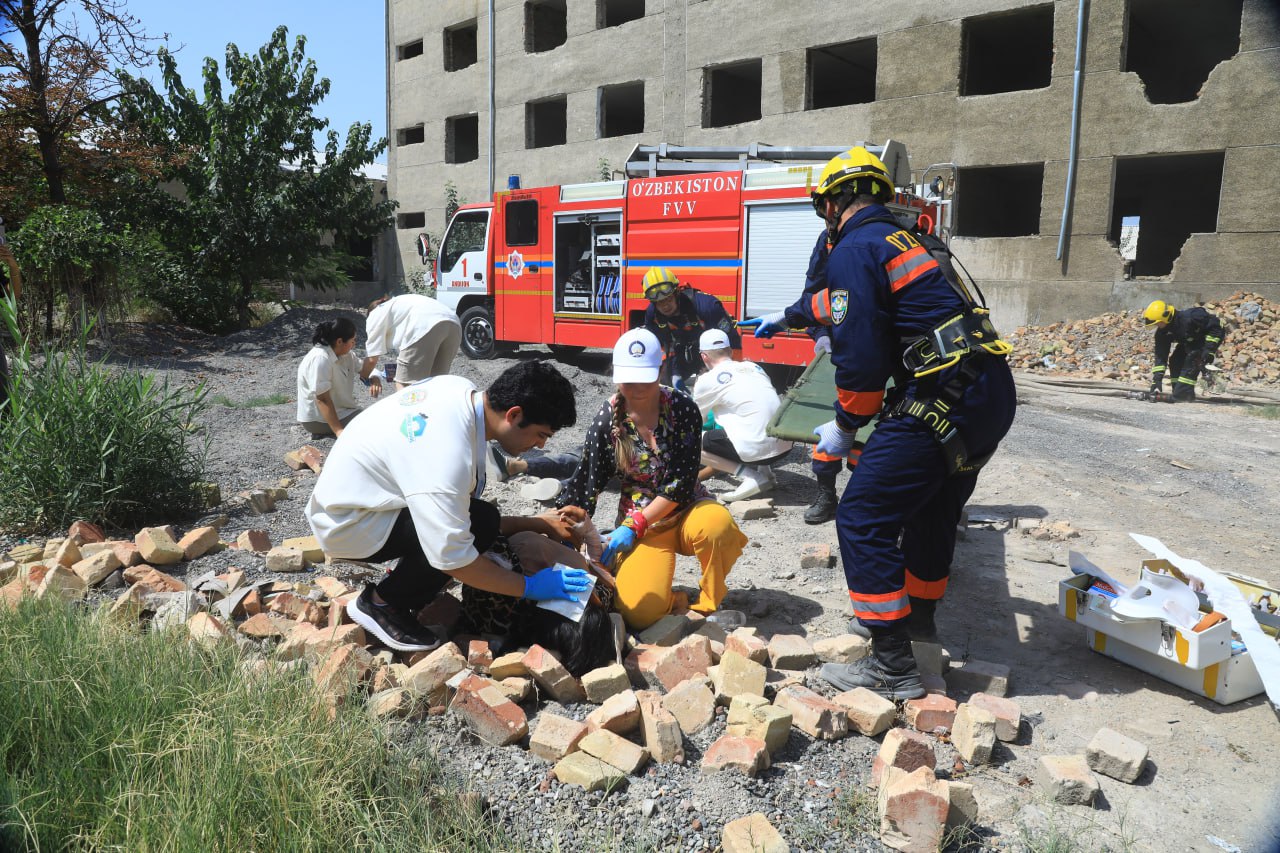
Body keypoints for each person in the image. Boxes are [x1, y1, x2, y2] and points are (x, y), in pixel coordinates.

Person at [749, 146, 1017, 699]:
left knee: (863, 517)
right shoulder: (902, 241)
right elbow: (850, 302)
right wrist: (786, 315)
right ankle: (917, 626)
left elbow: (864, 361)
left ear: (832, 203)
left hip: (941, 395)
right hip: (986, 391)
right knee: (931, 508)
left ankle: (892, 666)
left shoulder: (852, 246)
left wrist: (845, 426)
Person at [305, 361, 591, 653]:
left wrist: (537, 523)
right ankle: (382, 604)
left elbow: (457, 509)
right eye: (541, 434)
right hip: (349, 523)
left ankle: (406, 581)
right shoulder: (447, 455)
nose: (540, 446)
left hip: (356, 500)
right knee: (479, 525)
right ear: (514, 415)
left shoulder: (459, 391)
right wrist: (529, 586)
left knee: (479, 519)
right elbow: (455, 557)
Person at [557, 328, 748, 630]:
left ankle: (708, 604)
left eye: (646, 377)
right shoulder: (606, 421)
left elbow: (681, 483)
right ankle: (675, 601)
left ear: (661, 369)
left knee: (717, 526)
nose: (637, 386)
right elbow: (587, 483)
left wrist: (633, 526)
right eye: (629, 378)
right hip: (643, 526)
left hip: (687, 511)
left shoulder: (683, 409)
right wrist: (571, 532)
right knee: (638, 613)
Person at [692, 328, 793, 502]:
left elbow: (694, 423)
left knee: (688, 440)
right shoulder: (754, 367)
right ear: (731, 351)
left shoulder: (707, 380)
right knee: (754, 418)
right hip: (784, 447)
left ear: (704, 357)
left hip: (757, 450)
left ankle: (751, 477)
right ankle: (766, 473)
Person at [641, 267, 741, 390]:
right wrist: (674, 375)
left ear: (677, 293)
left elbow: (733, 342)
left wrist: (733, 376)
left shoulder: (707, 306)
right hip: (682, 353)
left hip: (710, 353)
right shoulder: (653, 316)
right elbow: (662, 347)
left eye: (668, 299)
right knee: (662, 380)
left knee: (716, 385)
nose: (665, 305)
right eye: (659, 302)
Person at [297, 317, 381, 438]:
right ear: (340, 341)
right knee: (373, 422)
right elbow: (322, 399)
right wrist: (339, 431)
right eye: (352, 341)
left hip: (342, 411)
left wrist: (375, 378)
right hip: (317, 419)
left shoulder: (346, 355)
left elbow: (365, 368)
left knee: (375, 417)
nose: (354, 344)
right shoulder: (320, 358)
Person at [363, 293, 463, 388]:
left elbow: (372, 360)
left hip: (424, 324)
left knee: (405, 384)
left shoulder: (375, 313)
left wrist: (364, 377)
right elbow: (408, 359)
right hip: (454, 323)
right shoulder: (399, 307)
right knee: (434, 384)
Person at [1142, 300, 1225, 402]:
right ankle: (1178, 391)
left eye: (1158, 323)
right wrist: (1157, 379)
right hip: (1191, 341)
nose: (1157, 326)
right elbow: (1161, 355)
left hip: (1208, 337)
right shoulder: (1162, 333)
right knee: (1175, 360)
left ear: (1166, 316)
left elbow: (1217, 326)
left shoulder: (1190, 318)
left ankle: (1183, 394)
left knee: (1193, 359)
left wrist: (1209, 350)